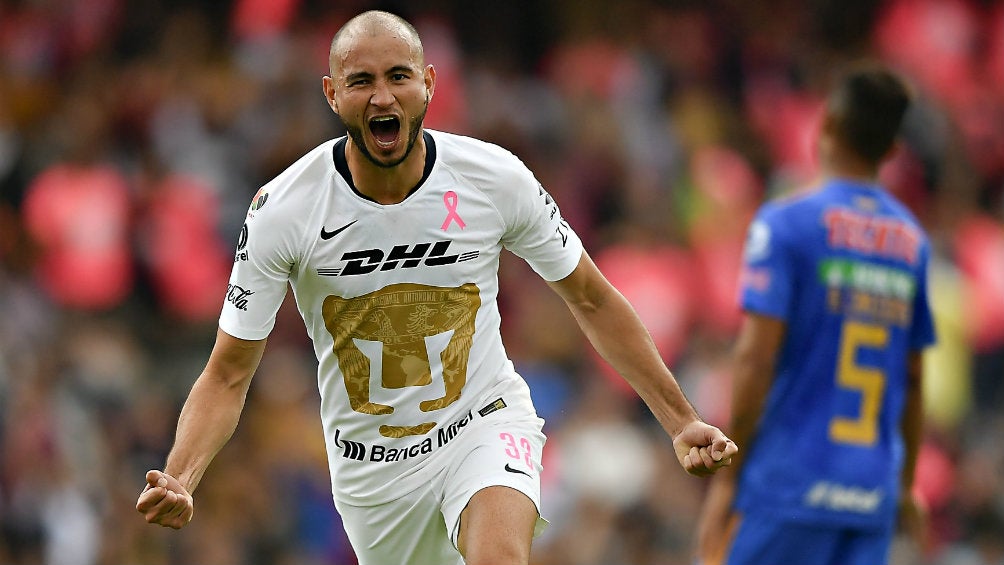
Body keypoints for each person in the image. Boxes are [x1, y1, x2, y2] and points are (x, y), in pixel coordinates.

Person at [136, 10, 737, 565]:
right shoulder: (283, 209)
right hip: (373, 474)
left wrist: (681, 420)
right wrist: (183, 475)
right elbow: (228, 371)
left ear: (428, 83)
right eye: (361, 80)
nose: (382, 95)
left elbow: (590, 296)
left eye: (399, 76)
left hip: (482, 418)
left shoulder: (493, 178)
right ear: (331, 93)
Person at [696, 63, 936, 565]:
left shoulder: (786, 224)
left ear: (825, 125)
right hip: (868, 496)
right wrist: (906, 485)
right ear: (891, 152)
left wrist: (730, 477)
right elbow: (913, 380)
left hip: (789, 489)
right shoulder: (911, 242)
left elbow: (754, 360)